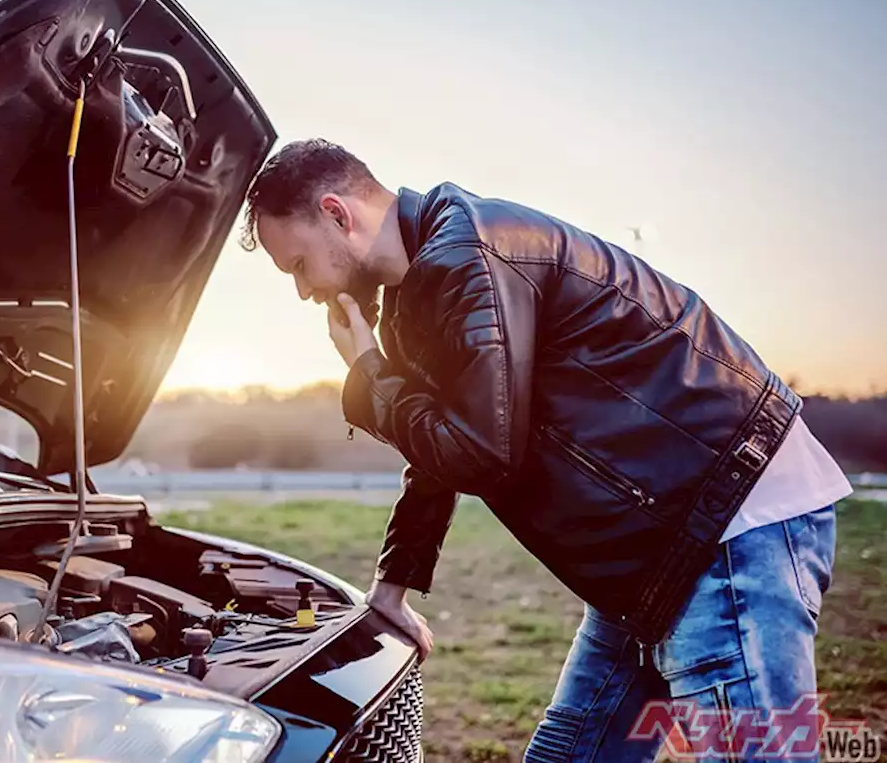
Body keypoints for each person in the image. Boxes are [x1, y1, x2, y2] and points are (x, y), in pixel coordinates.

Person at [240, 138, 853, 762]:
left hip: (728, 520)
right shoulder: (418, 292)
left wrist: (371, 374)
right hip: (657, 548)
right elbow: (437, 451)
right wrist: (391, 587)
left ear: (338, 214)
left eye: (296, 265)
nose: (303, 291)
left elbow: (479, 452)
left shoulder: (469, 256)